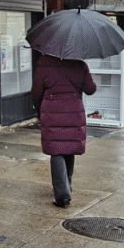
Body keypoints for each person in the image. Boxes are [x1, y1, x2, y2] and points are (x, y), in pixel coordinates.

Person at [31, 54, 97, 208]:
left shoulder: (44, 63)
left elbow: (36, 92)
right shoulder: (79, 64)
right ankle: (67, 185)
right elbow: (90, 89)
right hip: (74, 110)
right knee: (69, 146)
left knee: (56, 150)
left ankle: (62, 195)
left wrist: (40, 111)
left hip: (51, 110)